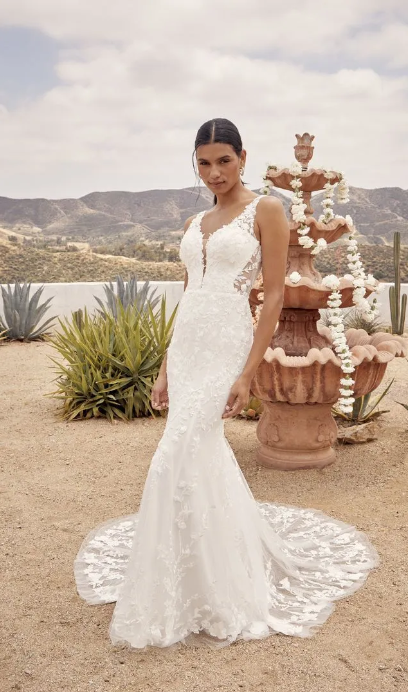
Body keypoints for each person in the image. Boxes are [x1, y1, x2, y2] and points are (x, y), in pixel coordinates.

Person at [74, 117, 379, 650]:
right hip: (190, 343)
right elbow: (187, 295)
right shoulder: (196, 222)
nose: (214, 172)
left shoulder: (267, 209)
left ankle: (215, 581)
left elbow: (276, 297)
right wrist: (167, 366)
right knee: (194, 451)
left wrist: (246, 372)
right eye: (204, 162)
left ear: (242, 158)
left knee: (180, 450)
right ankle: (191, 564)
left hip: (227, 342)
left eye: (224, 160)